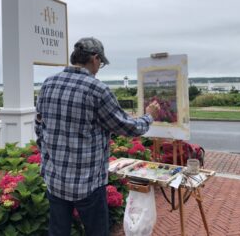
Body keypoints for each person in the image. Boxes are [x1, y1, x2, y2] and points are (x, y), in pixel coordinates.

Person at [35, 37, 160, 236]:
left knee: (58, 232)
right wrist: (149, 116)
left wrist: (49, 158)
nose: (99, 67)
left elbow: (39, 127)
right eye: (100, 63)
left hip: (55, 178)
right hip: (88, 183)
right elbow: (126, 127)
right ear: (94, 58)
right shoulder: (97, 89)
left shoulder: (48, 83)